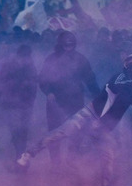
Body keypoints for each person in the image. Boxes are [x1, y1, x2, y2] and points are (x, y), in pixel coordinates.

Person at [14, 54, 132, 186]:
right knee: (62, 132)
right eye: (130, 65)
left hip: (103, 127)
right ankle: (28, 154)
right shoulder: (118, 78)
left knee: (108, 156)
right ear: (125, 67)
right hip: (89, 114)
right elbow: (117, 87)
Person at [36, 30, 101, 167]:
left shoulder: (81, 59)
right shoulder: (51, 59)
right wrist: (48, 92)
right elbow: (42, 79)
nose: (68, 46)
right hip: (55, 102)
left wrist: (98, 96)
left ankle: (72, 160)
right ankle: (56, 163)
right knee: (54, 132)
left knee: (77, 131)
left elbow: (90, 79)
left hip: (75, 100)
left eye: (71, 44)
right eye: (66, 44)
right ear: (60, 44)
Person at [0, 43, 39, 160]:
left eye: (27, 56)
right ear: (18, 55)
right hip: (11, 103)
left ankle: (20, 155)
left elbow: (34, 87)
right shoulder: (9, 65)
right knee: (14, 129)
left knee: (22, 130)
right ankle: (17, 152)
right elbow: (0, 81)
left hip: (24, 104)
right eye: (23, 55)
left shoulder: (31, 67)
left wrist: (30, 103)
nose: (25, 58)